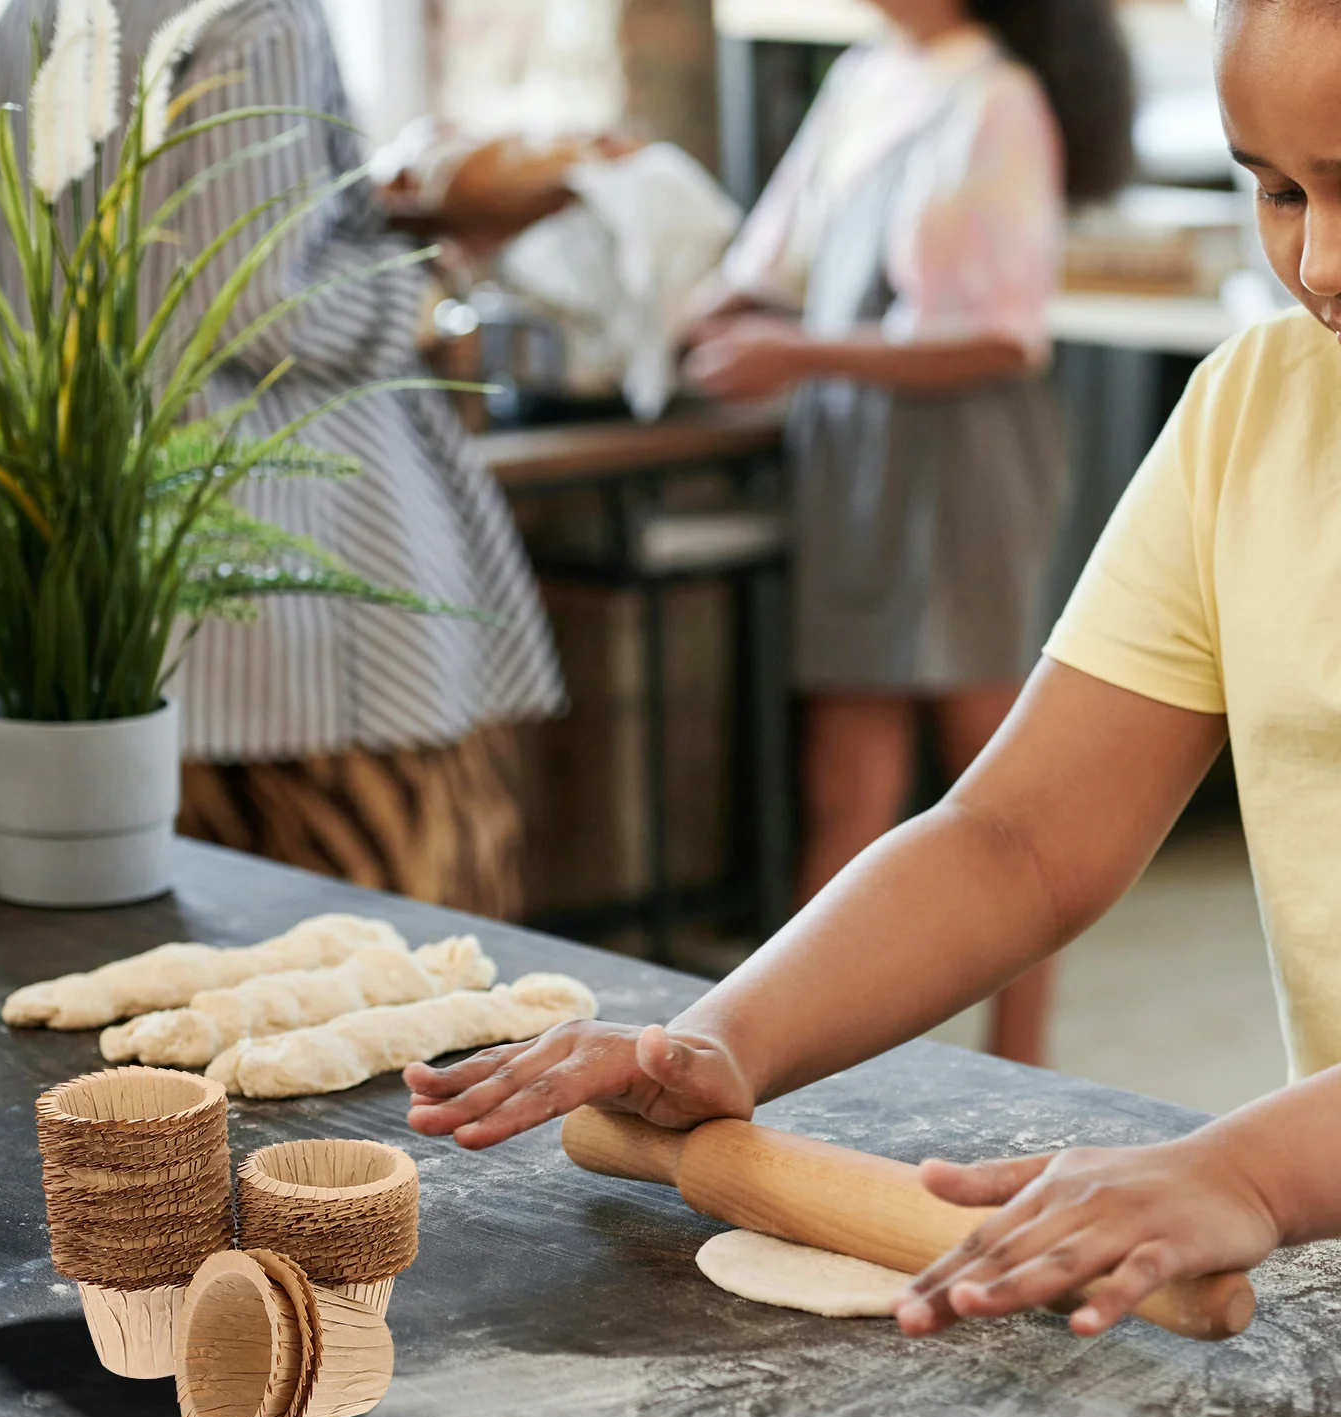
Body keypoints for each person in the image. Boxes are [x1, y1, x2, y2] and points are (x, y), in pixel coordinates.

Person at [406, 0, 1341, 1337]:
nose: (1318, 264)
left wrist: (1249, 1166)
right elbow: (1018, 835)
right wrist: (728, 1039)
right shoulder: (1253, 412)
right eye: (1275, 190)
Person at [0, 0, 563, 921]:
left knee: (174, 968)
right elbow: (259, 296)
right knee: (409, 956)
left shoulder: (32, 14)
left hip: (105, 542)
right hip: (306, 553)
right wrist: (434, 284)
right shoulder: (262, 14)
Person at [680, 0, 1132, 1065]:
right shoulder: (864, 78)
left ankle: (1021, 1065)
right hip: (855, 450)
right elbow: (768, 260)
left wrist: (793, 357)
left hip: (964, 454)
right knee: (845, 777)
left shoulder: (998, 101)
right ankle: (791, 1057)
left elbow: (997, 339)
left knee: (1005, 787)